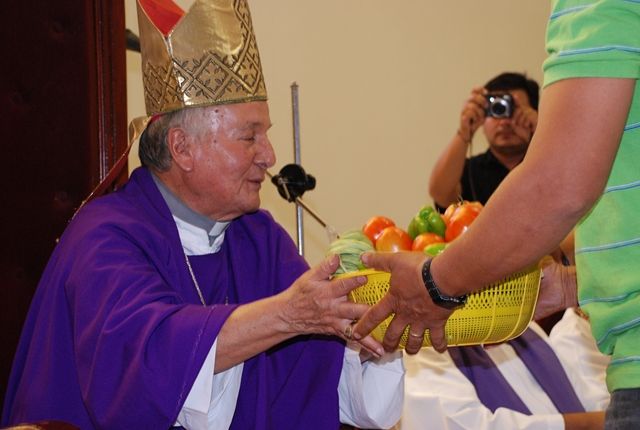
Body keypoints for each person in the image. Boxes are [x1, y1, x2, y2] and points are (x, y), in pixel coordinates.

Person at [1, 1, 404, 429]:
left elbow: (319, 378)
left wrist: (373, 335)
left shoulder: (258, 238)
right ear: (182, 148)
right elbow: (142, 370)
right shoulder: (104, 239)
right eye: (249, 137)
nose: (269, 156)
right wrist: (286, 315)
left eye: (265, 135)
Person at [353, 1, 639, 428]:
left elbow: (557, 186)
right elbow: (441, 191)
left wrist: (436, 283)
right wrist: (571, 284)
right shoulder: (476, 168)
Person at [395, 308, 610, 430]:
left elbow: (584, 395)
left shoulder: (522, 325)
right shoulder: (422, 351)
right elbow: (462, 424)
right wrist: (595, 423)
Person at [429, 72, 539, 211]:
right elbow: (440, 194)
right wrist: (464, 133)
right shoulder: (470, 170)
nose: (504, 121)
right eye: (498, 109)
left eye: (513, 109)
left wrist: (542, 129)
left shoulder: (546, 165)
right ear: (483, 116)